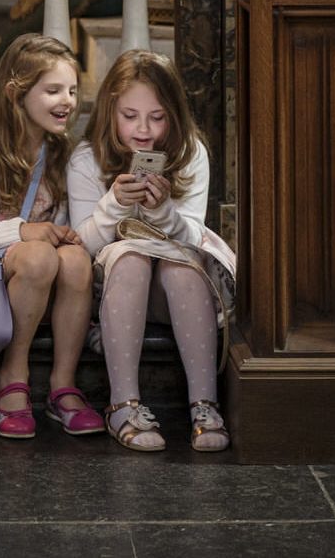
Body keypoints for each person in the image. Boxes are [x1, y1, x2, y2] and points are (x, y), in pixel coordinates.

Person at [67, 50, 236, 452]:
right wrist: (114, 205)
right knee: (131, 258)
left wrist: (164, 212)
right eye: (130, 116)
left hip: (175, 286)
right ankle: (123, 404)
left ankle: (205, 403)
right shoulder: (87, 159)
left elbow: (190, 237)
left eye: (157, 117)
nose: (143, 129)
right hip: (112, 290)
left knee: (180, 267)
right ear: (110, 110)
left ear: (174, 115)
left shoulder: (191, 152)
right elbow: (83, 245)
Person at [0, 34, 104, 439]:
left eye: (71, 90)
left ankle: (62, 385)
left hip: (45, 284)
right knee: (37, 256)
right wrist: (22, 231)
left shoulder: (67, 154)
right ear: (16, 94)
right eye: (52, 90)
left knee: (74, 258)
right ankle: (12, 375)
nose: (67, 101)